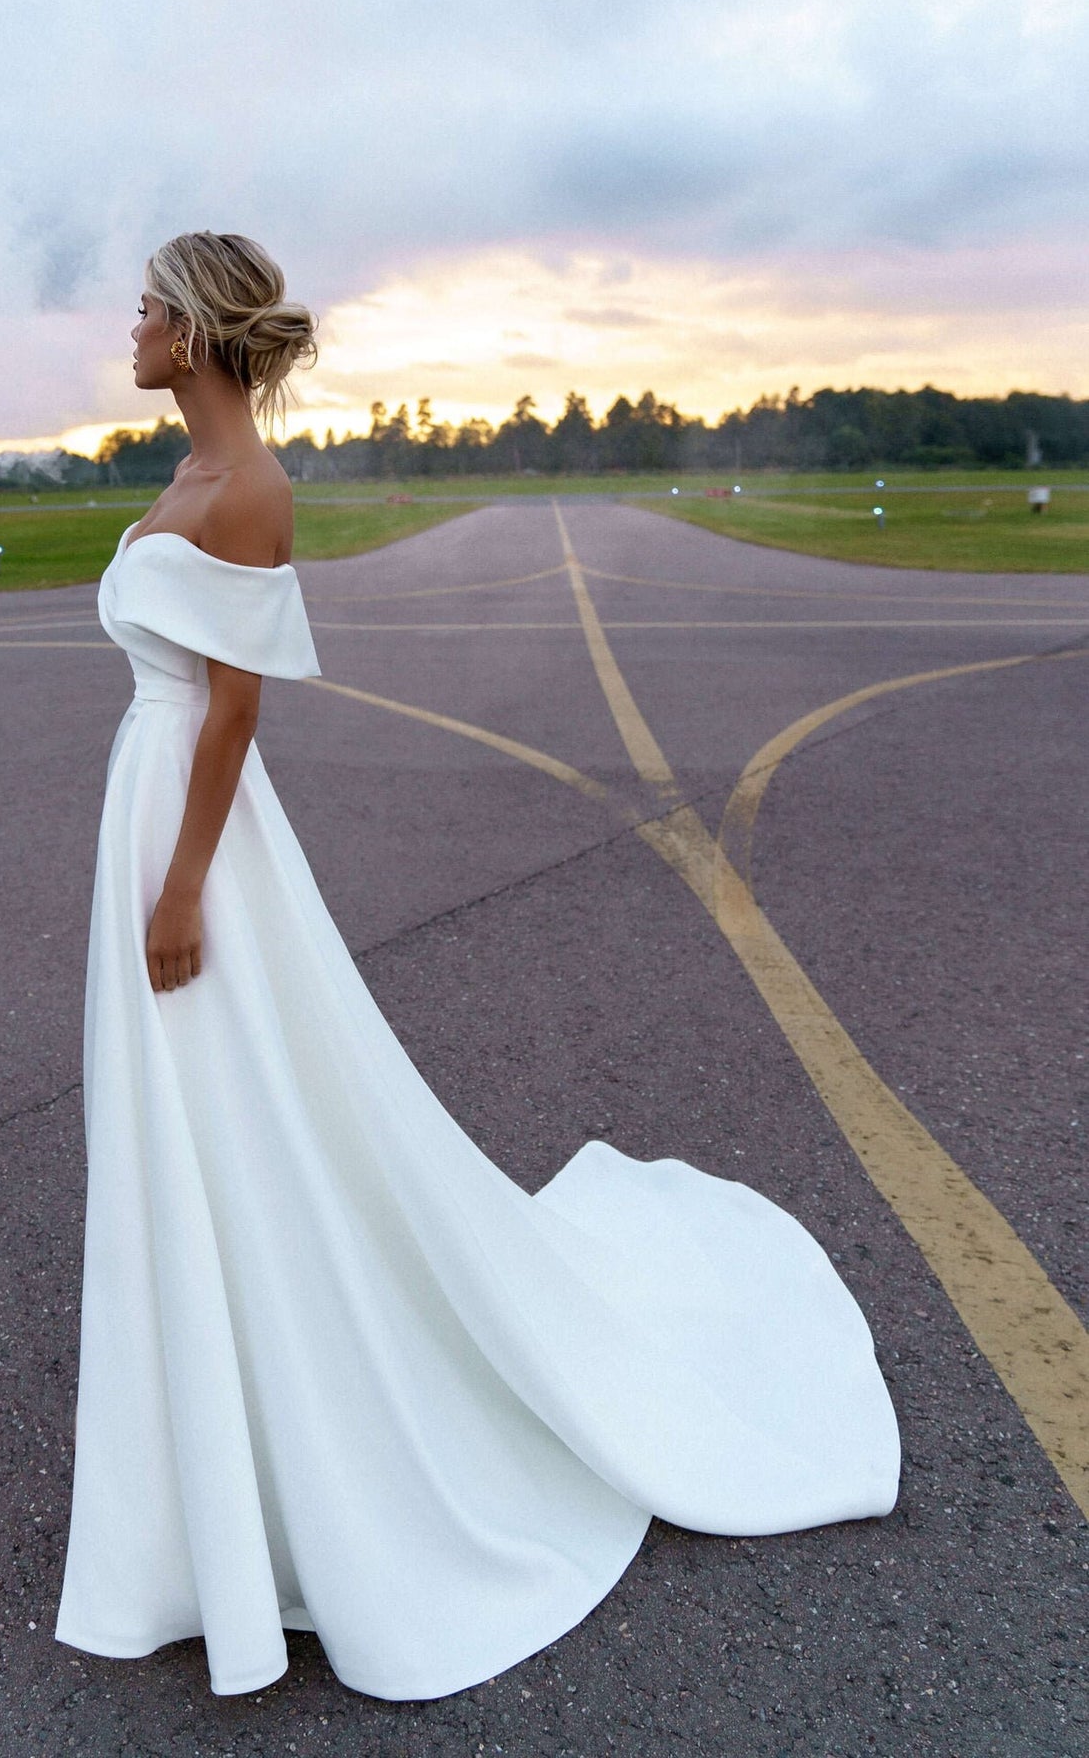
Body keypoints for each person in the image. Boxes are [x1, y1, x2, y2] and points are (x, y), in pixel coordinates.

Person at [54, 231, 899, 1701]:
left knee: (237, 1097)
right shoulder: (184, 475)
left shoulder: (248, 489)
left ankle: (296, 1412)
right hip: (148, 805)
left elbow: (234, 712)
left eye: (143, 309)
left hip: (193, 831)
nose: (126, 329)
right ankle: (204, 1428)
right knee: (190, 1113)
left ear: (191, 331)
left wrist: (183, 884)